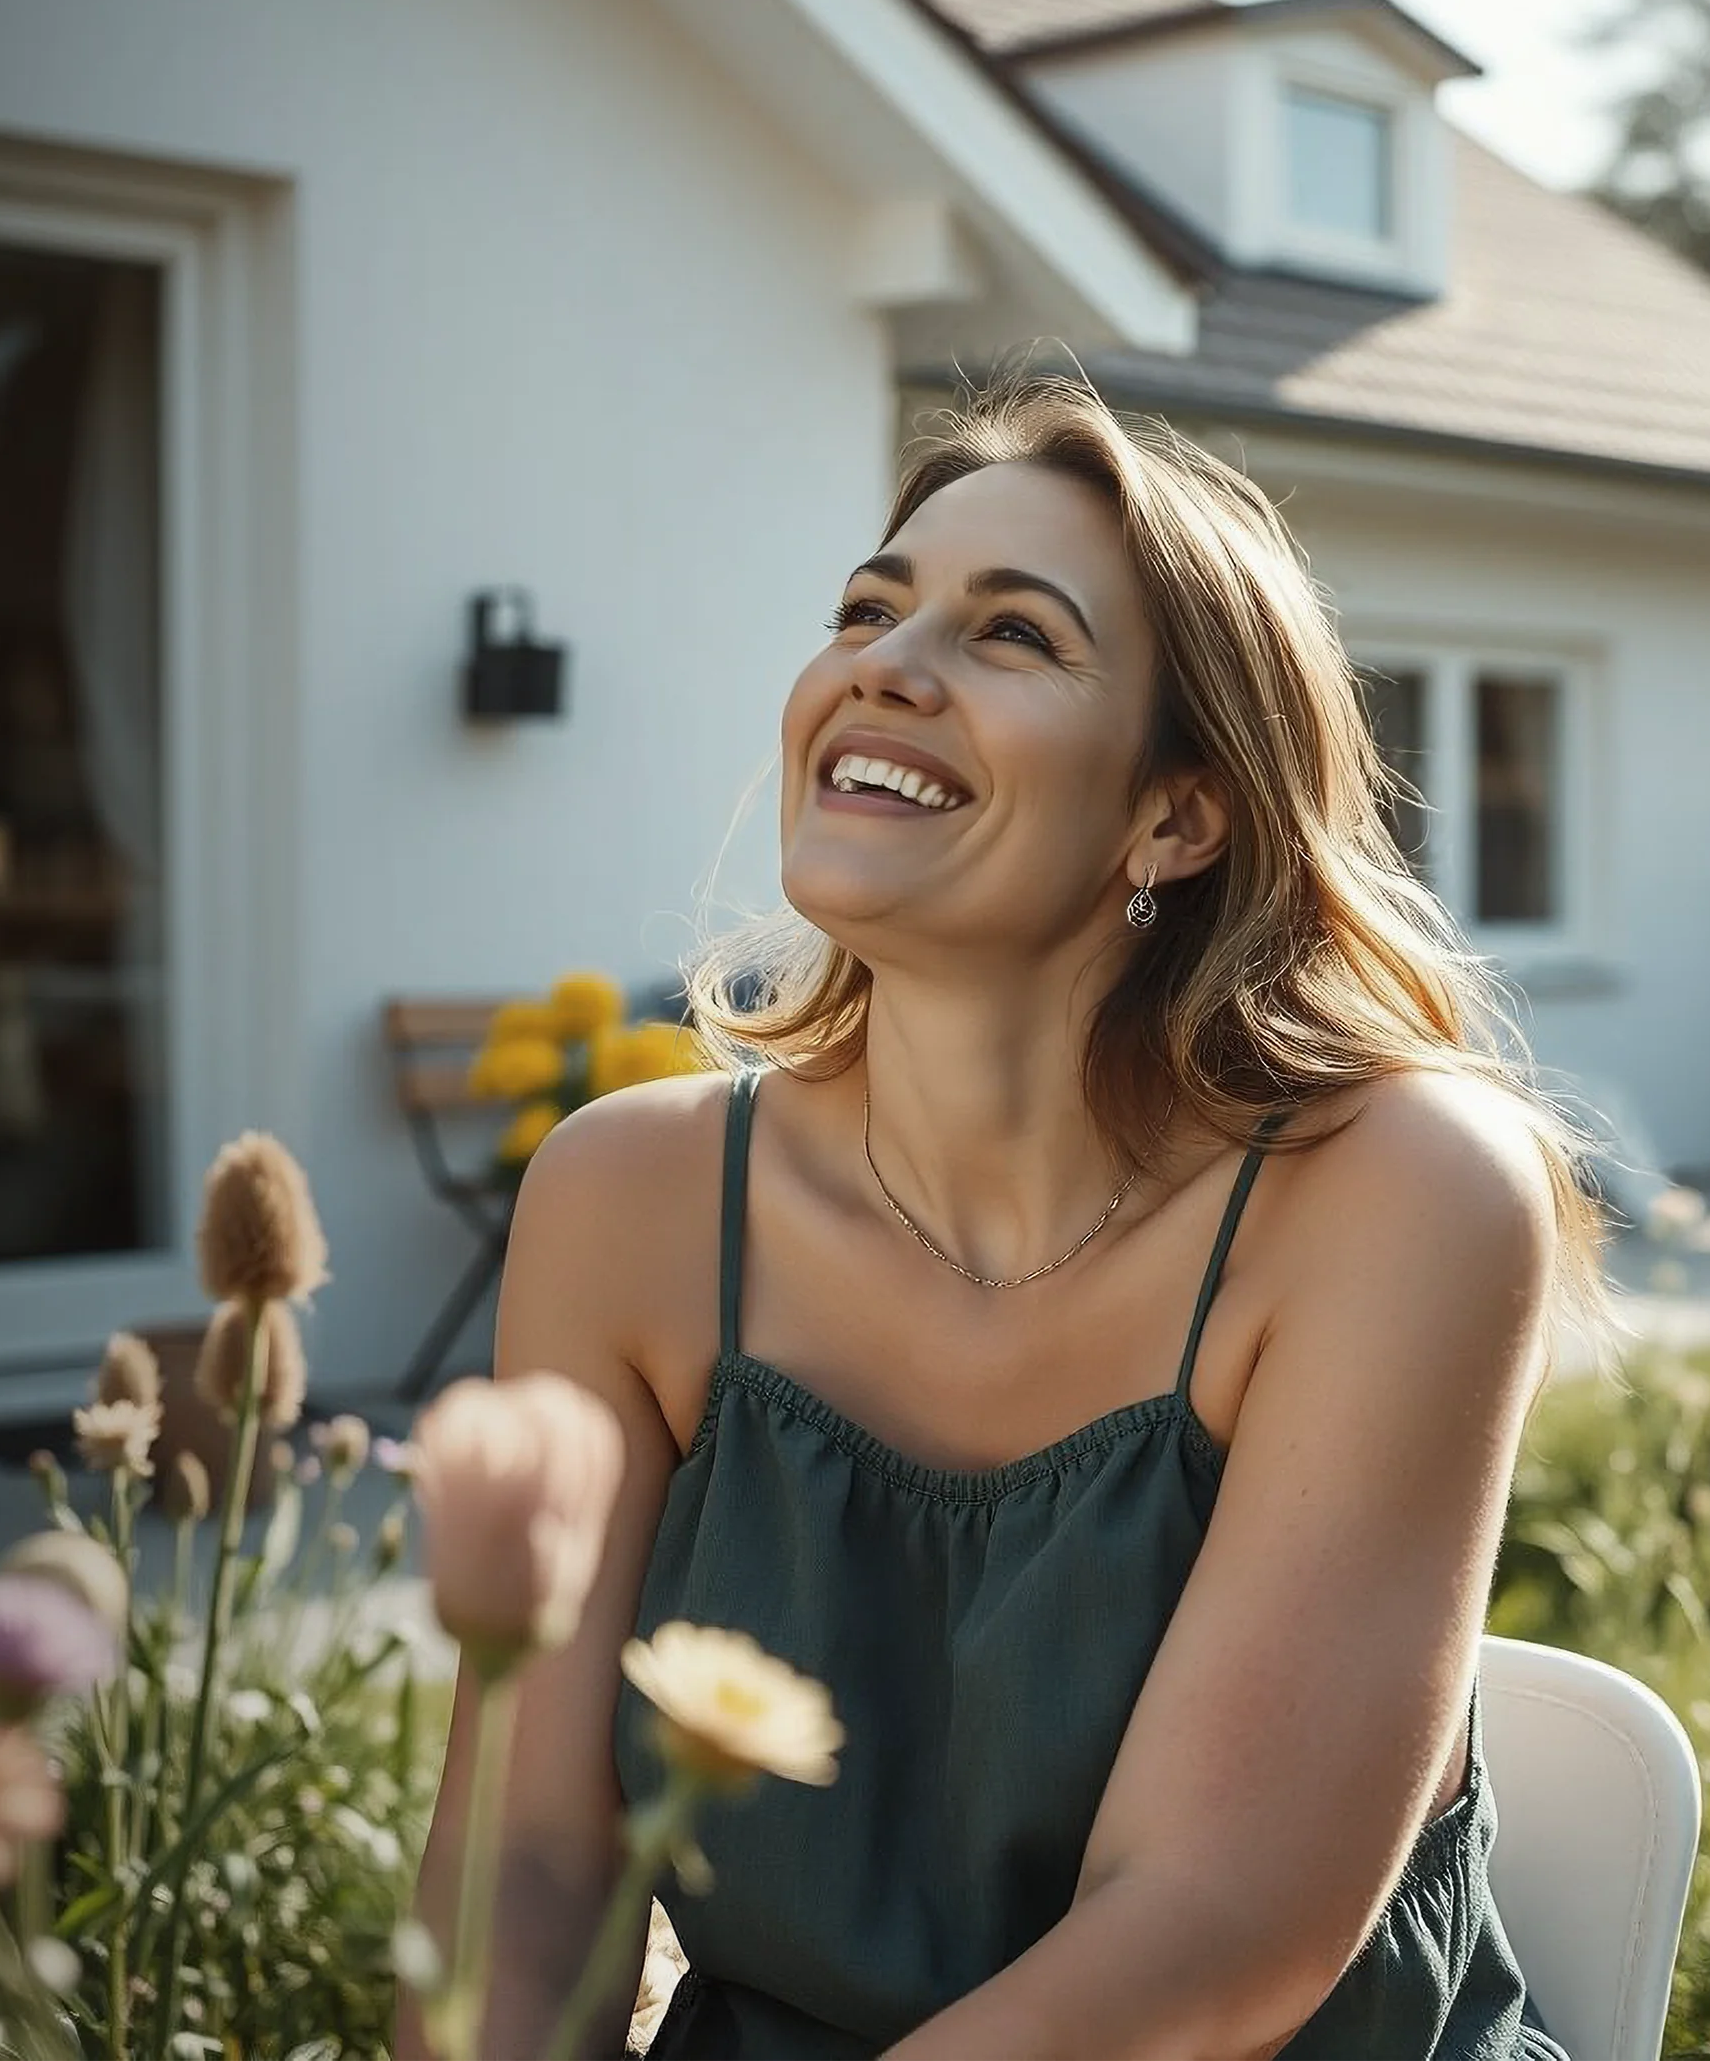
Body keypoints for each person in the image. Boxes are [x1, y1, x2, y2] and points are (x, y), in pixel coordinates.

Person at [408, 376, 1595, 2060]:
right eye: (868, 611)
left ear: (1176, 816)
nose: (882, 663)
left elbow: (1204, 1937)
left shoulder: (1399, 1199)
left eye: (1014, 636)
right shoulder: (628, 1200)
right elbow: (522, 1870)